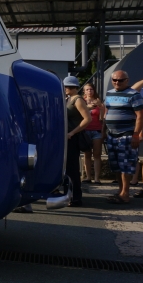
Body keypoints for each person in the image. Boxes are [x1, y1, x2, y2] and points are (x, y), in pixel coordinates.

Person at [104, 71, 143, 204]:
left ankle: (125, 194)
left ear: (127, 80)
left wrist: (136, 134)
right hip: (111, 135)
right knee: (116, 165)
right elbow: (107, 111)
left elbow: (140, 115)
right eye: (114, 80)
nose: (117, 82)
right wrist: (104, 129)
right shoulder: (109, 93)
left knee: (126, 165)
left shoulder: (134, 95)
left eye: (120, 80)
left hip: (126, 135)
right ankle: (120, 192)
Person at [63, 76, 91, 207]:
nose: (67, 88)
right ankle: (68, 194)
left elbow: (87, 119)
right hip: (66, 137)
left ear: (76, 87)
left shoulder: (77, 100)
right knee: (67, 168)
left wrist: (72, 132)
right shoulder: (68, 99)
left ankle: (75, 197)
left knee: (72, 168)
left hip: (72, 138)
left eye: (70, 86)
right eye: (66, 86)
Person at [81, 82, 104, 184]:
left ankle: (97, 178)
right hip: (85, 130)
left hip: (96, 130)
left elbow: (102, 119)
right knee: (87, 154)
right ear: (84, 91)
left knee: (97, 154)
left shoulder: (99, 102)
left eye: (91, 89)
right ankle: (88, 177)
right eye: (87, 89)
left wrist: (101, 107)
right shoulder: (81, 102)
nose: (89, 91)